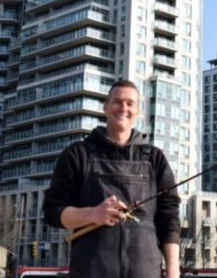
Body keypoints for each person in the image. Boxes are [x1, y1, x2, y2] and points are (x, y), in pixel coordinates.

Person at [43, 80, 181, 278]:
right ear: (105, 107)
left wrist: (173, 271)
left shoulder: (155, 158)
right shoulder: (77, 154)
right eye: (117, 101)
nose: (123, 108)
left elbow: (169, 218)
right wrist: (92, 214)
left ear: (138, 111)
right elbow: (52, 212)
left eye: (130, 103)